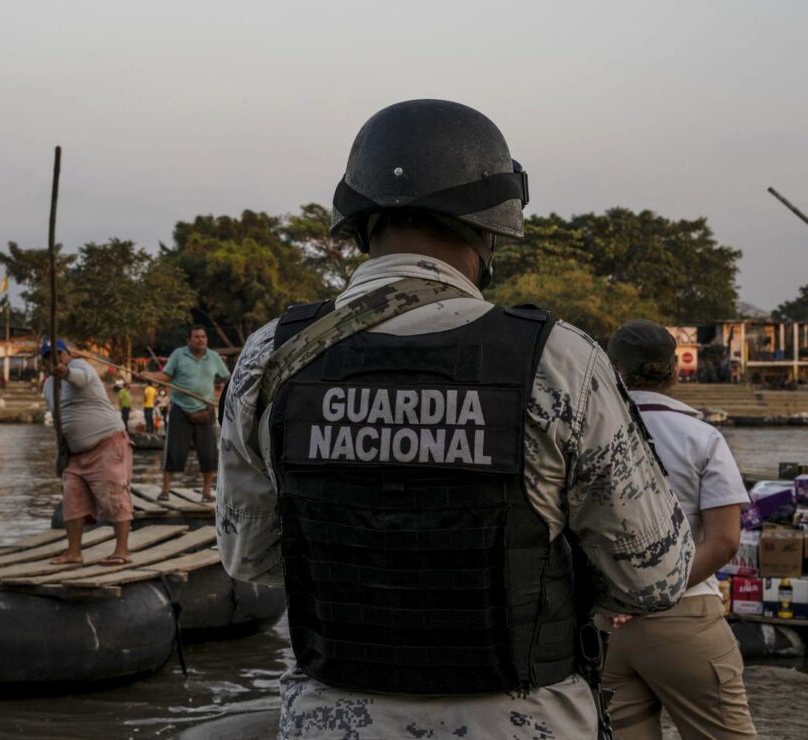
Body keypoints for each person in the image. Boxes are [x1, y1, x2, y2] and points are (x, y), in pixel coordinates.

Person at [217, 100, 694, 739]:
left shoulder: (267, 358)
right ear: (490, 229)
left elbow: (250, 559)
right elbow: (654, 579)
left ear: (358, 222)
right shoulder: (559, 361)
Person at [604, 320, 755, 739]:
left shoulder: (584, 436)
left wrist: (622, 596)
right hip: (685, 618)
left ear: (613, 370)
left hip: (605, 627)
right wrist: (651, 592)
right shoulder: (702, 437)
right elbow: (724, 541)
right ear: (674, 371)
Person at [42, 339, 134, 566]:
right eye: (48, 356)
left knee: (114, 497)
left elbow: (80, 380)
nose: (54, 359)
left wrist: (64, 372)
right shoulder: (48, 385)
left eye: (58, 354)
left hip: (106, 443)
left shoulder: (80, 367)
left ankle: (121, 551)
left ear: (67, 354)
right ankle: (74, 552)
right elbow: (59, 418)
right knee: (72, 499)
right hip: (75, 453)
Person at [143, 326, 230, 503]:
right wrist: (149, 375)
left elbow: (228, 378)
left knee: (208, 453)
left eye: (203, 336)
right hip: (181, 409)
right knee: (173, 451)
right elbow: (166, 376)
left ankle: (207, 492)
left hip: (205, 409)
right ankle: (165, 491)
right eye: (196, 337)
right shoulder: (178, 355)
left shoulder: (213, 357)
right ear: (188, 340)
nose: (201, 340)